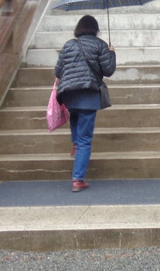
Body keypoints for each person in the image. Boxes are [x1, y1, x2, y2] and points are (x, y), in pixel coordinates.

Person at [54, 14, 116, 192]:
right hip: (88, 93)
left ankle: (75, 144)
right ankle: (77, 179)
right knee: (85, 140)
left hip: (69, 93)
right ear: (95, 29)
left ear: (79, 29)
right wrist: (112, 53)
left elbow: (58, 70)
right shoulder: (100, 45)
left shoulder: (69, 45)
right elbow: (108, 70)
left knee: (75, 118)